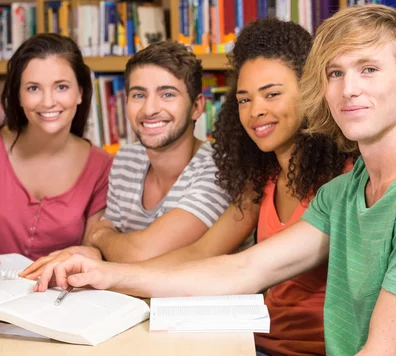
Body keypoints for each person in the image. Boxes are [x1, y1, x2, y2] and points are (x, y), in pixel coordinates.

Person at [35, 5, 396, 355]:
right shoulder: (347, 189)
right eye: (335, 73)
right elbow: (246, 267)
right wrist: (103, 274)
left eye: (369, 69)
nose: (348, 89)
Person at [140, 18, 351, 356]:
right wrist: (103, 278)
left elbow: (244, 268)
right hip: (251, 342)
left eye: (272, 94)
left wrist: (109, 274)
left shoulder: (345, 180)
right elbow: (201, 251)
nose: (256, 111)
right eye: (244, 100)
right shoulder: (263, 179)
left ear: (310, 91)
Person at [21, 41, 231, 277]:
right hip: (135, 302)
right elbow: (103, 235)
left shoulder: (219, 167)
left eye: (167, 94)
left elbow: (140, 252)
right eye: (139, 95)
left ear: (196, 107)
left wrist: (103, 239)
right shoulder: (127, 158)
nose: (150, 109)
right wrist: (104, 239)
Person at [0, 33, 113, 266]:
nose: (48, 102)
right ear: (18, 95)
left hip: (64, 297)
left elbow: (93, 254)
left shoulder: (102, 167)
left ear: (80, 92)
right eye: (33, 88)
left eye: (61, 87)